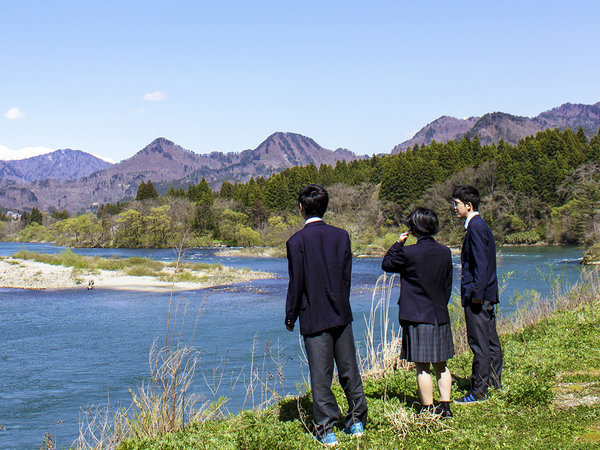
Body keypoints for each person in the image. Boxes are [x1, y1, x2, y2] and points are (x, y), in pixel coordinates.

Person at [285, 184, 367, 446]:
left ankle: (326, 429)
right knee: (348, 369)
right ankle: (356, 420)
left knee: (321, 375)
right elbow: (346, 277)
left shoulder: (296, 241)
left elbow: (296, 282)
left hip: (314, 315)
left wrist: (291, 314)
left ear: (301, 207)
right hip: (341, 312)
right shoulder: (341, 236)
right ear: (325, 206)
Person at [382, 207, 455, 418]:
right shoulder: (445, 252)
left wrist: (398, 243)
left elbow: (387, 264)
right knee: (441, 364)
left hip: (416, 314)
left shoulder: (408, 253)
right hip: (439, 313)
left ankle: (428, 408)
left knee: (422, 366)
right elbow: (447, 284)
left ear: (413, 229)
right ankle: (446, 406)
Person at [452, 185, 503, 404]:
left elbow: (480, 265)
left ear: (469, 205)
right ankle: (493, 382)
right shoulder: (480, 226)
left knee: (479, 342)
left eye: (457, 204)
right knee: (490, 340)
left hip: (478, 296)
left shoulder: (475, 227)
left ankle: (479, 391)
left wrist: (476, 295)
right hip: (485, 294)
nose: (455, 208)